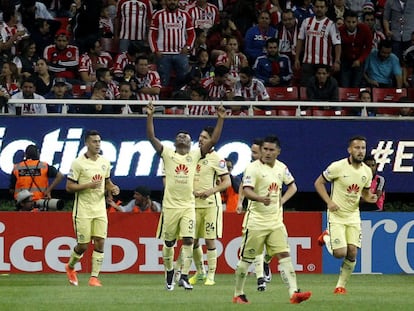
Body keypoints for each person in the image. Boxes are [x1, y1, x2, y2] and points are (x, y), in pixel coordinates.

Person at [146, 101, 225, 291]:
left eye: (186, 137)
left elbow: (213, 141)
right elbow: (151, 137)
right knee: (169, 243)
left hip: (189, 206)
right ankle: (169, 273)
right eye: (179, 136)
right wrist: (149, 116)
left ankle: (183, 275)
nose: (182, 138)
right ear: (175, 142)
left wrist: (220, 119)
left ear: (191, 144)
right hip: (171, 207)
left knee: (189, 240)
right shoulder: (167, 154)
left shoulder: (196, 154)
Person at [233, 135, 311, 304]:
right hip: (256, 221)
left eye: (271, 150)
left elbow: (293, 187)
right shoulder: (253, 168)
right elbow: (246, 190)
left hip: (275, 222)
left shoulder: (282, 168)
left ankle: (294, 293)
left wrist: (282, 201)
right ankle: (238, 293)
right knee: (246, 259)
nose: (267, 153)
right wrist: (261, 199)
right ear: (261, 150)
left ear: (278, 151)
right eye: (265, 149)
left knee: (284, 254)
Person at [315, 135, 378, 294]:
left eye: (363, 148)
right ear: (349, 149)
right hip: (336, 215)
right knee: (339, 253)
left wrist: (369, 197)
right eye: (357, 148)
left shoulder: (367, 172)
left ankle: (340, 286)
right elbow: (318, 183)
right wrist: (329, 202)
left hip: (353, 216)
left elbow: (364, 192)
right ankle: (326, 237)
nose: (360, 151)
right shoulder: (337, 167)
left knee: (352, 252)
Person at [65, 129, 120, 287]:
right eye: (94, 141)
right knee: (83, 245)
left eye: (99, 141)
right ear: (87, 143)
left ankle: (94, 277)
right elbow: (69, 187)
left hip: (100, 208)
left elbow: (107, 181)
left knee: (100, 242)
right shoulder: (78, 163)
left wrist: (113, 188)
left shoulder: (104, 162)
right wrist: (88, 185)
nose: (97, 144)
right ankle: (70, 267)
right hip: (83, 209)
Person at [183, 126, 231, 286]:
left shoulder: (217, 159)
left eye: (204, 137)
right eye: (200, 136)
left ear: (211, 140)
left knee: (210, 240)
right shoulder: (192, 156)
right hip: (193, 205)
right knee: (193, 240)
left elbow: (227, 182)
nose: (201, 139)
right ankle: (200, 272)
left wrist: (211, 191)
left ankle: (211, 275)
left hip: (211, 204)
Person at [149, 0, 195, 89]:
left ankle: (179, 97)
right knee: (163, 80)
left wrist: (188, 47)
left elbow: (192, 33)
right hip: (163, 54)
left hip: (180, 53)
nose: (172, 2)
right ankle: (162, 100)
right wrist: (155, 50)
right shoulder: (158, 15)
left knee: (183, 78)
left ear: (178, 1)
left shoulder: (185, 15)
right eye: (169, 0)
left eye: (174, 0)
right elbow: (152, 34)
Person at [295, 0, 341, 86]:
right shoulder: (306, 21)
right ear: (313, 8)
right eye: (317, 7)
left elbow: (337, 44)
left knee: (324, 89)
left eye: (322, 7)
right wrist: (297, 58)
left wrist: (337, 61)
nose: (319, 9)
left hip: (324, 63)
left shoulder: (331, 24)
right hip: (308, 62)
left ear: (326, 9)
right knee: (306, 87)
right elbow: (300, 40)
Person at [338, 10, 373, 87]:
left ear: (357, 21)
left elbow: (368, 47)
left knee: (356, 85)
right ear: (344, 21)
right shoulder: (340, 30)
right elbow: (337, 47)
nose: (351, 24)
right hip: (345, 60)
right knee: (344, 84)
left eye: (353, 22)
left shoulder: (365, 29)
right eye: (348, 22)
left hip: (359, 59)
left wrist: (360, 59)